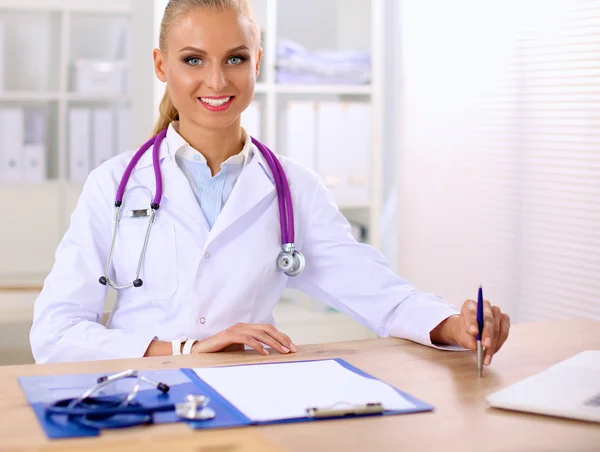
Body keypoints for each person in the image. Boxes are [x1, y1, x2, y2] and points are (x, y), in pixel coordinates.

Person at [30, 0, 510, 364]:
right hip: (138, 392)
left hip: (251, 389)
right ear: (161, 66)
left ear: (257, 61)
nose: (217, 81)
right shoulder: (114, 184)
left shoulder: (292, 187)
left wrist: (452, 325)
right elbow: (55, 332)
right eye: (193, 60)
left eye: (235, 58)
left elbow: (374, 290)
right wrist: (183, 347)